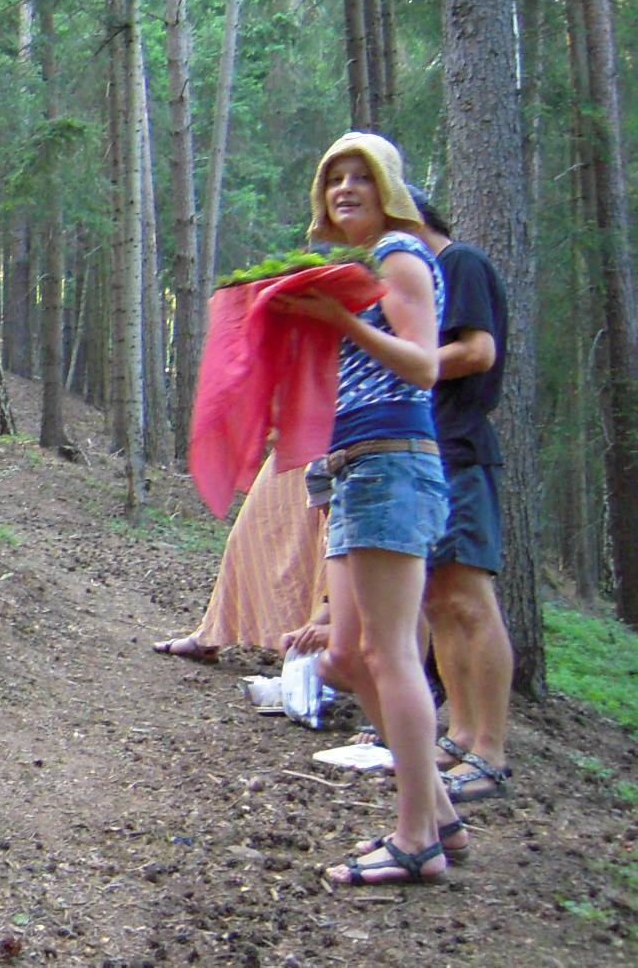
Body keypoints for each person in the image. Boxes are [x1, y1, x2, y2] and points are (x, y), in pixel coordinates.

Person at [273, 131, 461, 886]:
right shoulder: (353, 269)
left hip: (393, 461)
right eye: (333, 178)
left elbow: (424, 365)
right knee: (348, 656)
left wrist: (344, 321)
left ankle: (417, 839)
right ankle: (440, 812)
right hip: (352, 466)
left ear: (390, 188)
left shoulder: (399, 257)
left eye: (362, 176)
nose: (345, 188)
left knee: (390, 652)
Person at [410, 186, 515, 805]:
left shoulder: (460, 262)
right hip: (427, 452)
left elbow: (478, 350)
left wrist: (403, 358)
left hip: (461, 450)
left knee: (469, 599)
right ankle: (461, 735)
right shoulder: (420, 278)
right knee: (438, 600)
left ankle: (491, 753)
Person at [153, 457, 328, 661]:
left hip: (344, 451)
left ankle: (325, 649)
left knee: (329, 546)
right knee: (251, 533)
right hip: (302, 450)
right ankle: (210, 634)